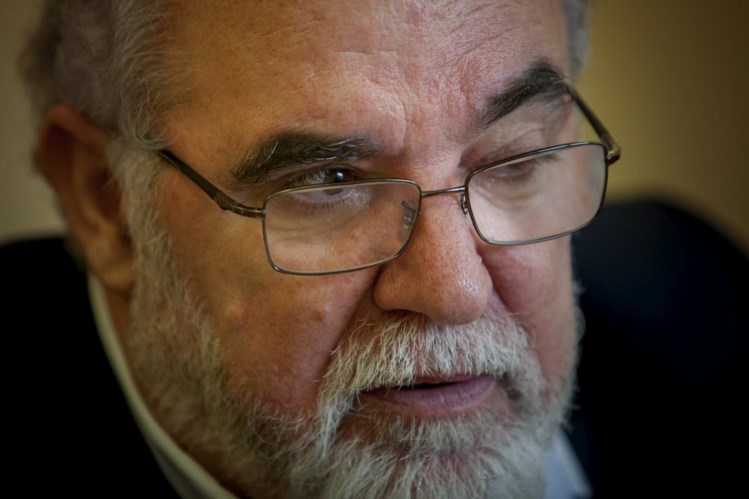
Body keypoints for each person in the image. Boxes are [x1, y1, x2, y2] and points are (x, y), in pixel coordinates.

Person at [4, 0, 620, 497]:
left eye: (514, 158)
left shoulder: (672, 314)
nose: (456, 292)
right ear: (107, 203)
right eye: (329, 181)